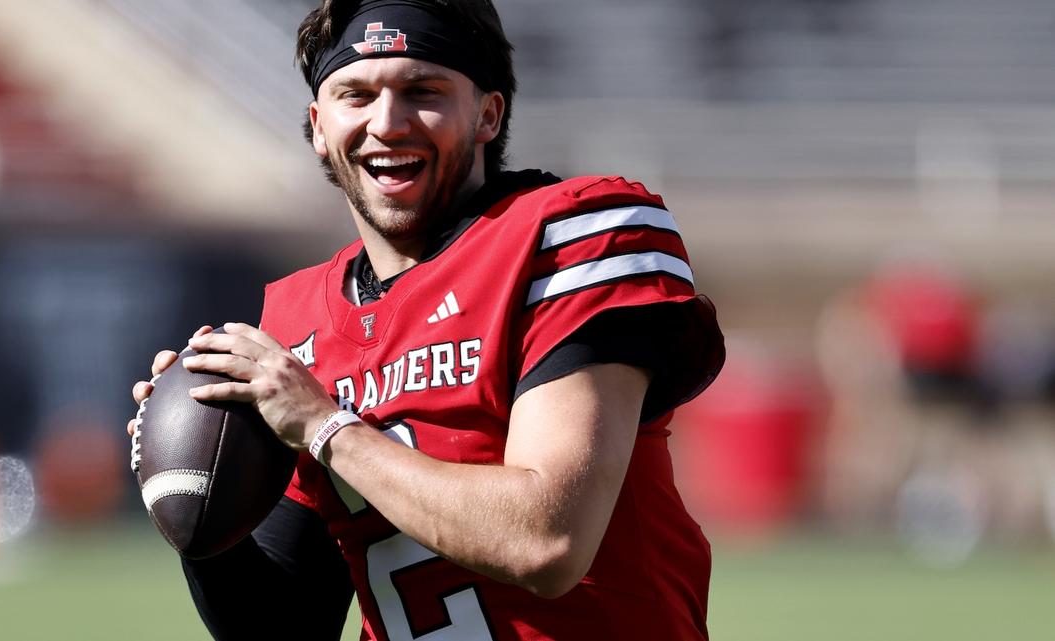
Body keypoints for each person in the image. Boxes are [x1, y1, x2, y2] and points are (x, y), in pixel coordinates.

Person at [129, 0, 725, 639]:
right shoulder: (297, 321)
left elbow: (548, 542)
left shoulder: (572, 236)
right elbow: (284, 626)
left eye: (423, 91)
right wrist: (193, 499)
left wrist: (327, 426)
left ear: (487, 115)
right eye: (354, 95)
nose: (387, 123)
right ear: (319, 126)